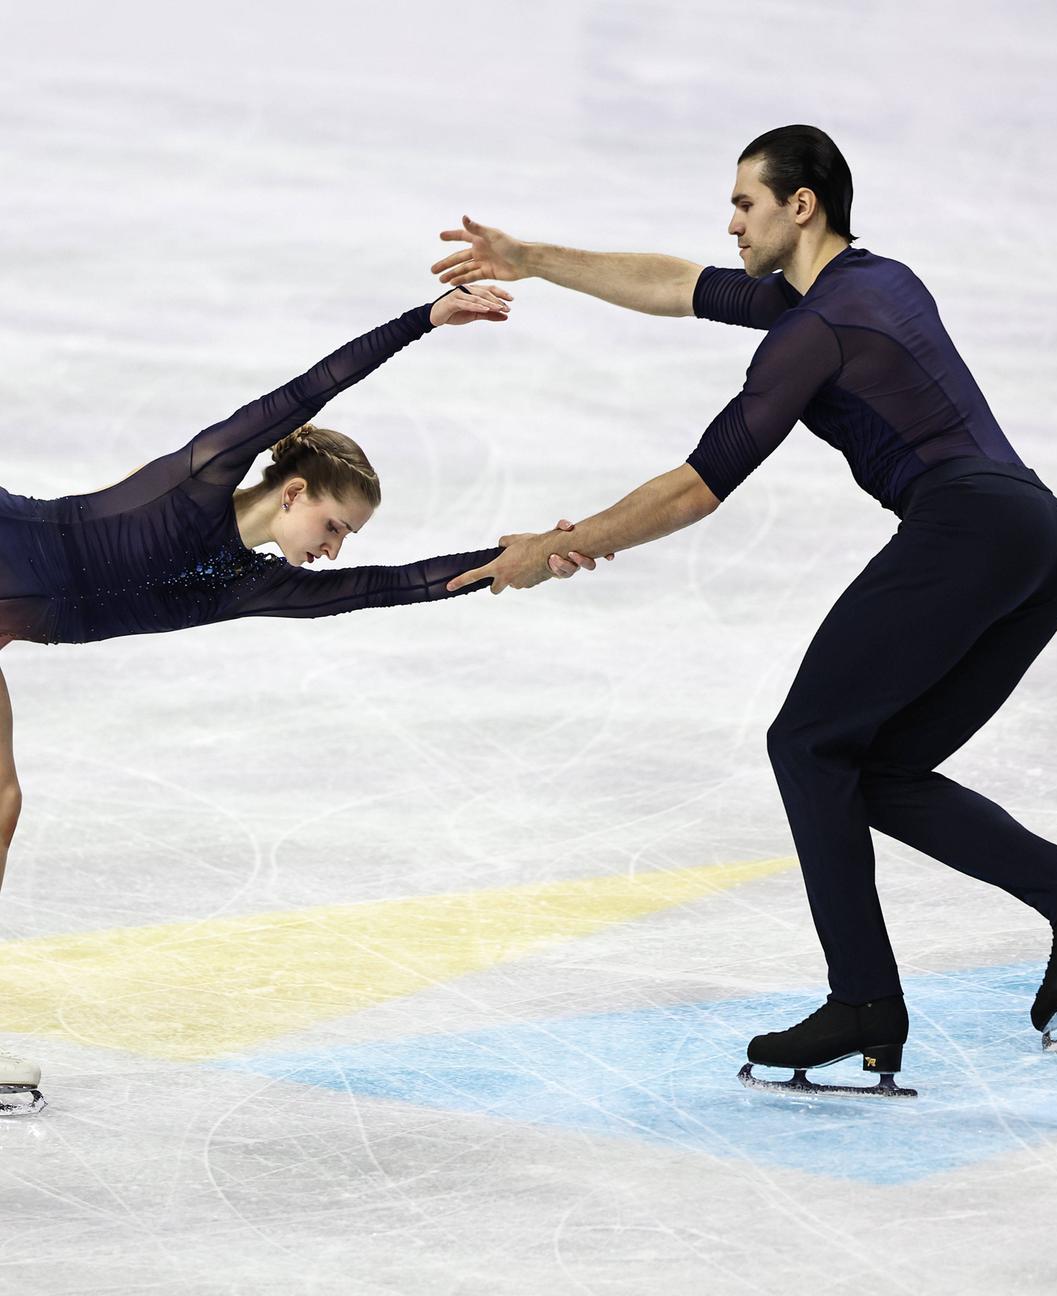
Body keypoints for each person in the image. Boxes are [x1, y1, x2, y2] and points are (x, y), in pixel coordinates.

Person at [431, 124, 1057, 1093]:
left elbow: (698, 485)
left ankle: (863, 1000)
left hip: (965, 528)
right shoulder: (867, 284)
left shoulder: (815, 331)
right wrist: (536, 261)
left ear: (798, 204)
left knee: (806, 744)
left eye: (744, 203)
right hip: (1039, 539)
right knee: (870, 766)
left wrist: (558, 546)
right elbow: (674, 284)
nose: (731, 222)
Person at [0, 280, 604, 1114]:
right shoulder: (200, 479)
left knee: (2, 802)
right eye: (333, 527)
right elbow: (307, 388)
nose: (332, 550)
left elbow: (385, 588)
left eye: (344, 539)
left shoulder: (248, 586)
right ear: (293, 493)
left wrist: (510, 560)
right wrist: (422, 321)